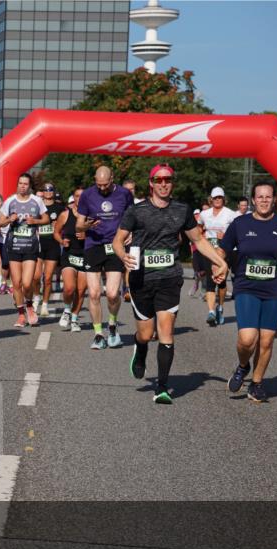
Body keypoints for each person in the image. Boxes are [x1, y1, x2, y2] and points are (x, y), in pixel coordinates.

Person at [114, 163, 227, 404]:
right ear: (151, 183)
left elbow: (198, 239)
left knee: (165, 332)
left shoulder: (182, 210)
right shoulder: (137, 211)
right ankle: (140, 348)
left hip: (169, 278)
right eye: (159, 180)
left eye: (168, 180)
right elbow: (118, 240)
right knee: (146, 333)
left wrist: (220, 261)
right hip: (141, 278)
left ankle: (162, 387)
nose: (164, 184)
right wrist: (123, 255)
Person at [219, 181, 277, 401]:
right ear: (253, 200)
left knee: (266, 340)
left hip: (276, 285)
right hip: (247, 284)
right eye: (260, 197)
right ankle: (242, 367)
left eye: (268, 197)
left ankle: (257, 383)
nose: (264, 200)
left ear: (274, 199)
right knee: (247, 338)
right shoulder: (240, 224)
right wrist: (218, 265)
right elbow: (223, 250)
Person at [77, 166, 134, 349]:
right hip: (93, 246)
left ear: (112, 179)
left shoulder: (124, 194)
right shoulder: (87, 195)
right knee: (93, 293)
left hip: (115, 245)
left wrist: (131, 232)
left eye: (105, 184)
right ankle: (98, 334)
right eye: (98, 184)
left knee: (111, 294)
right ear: (95, 179)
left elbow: (133, 217)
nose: (102, 188)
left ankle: (112, 324)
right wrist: (87, 226)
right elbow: (79, 226)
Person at [0, 173, 49, 327]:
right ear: (17, 185)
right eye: (20, 183)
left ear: (29, 186)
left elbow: (47, 219)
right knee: (17, 283)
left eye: (25, 184)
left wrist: (35, 221)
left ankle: (30, 305)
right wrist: (8, 220)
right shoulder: (10, 201)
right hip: (14, 246)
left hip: (30, 247)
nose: (22, 186)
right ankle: (21, 315)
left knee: (27, 283)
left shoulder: (37, 201)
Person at [199, 186, 237, 326]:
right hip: (208, 250)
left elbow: (238, 232)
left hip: (224, 251)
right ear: (211, 199)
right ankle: (211, 311)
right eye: (215, 197)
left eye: (220, 197)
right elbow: (199, 228)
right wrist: (201, 237)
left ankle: (220, 306)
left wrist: (227, 236)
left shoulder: (231, 214)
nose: (217, 200)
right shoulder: (205, 214)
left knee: (220, 281)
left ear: (224, 199)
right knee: (210, 280)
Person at [56, 185, 88, 331]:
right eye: (77, 195)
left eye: (82, 195)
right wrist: (62, 241)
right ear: (73, 198)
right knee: (69, 288)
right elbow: (56, 232)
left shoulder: (91, 215)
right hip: (69, 254)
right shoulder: (65, 214)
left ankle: (74, 319)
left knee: (81, 291)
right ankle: (67, 310)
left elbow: (100, 234)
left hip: (86, 255)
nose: (79, 198)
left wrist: (87, 236)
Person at [33, 182, 64, 319]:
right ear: (42, 192)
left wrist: (58, 226)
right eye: (45, 190)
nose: (48, 192)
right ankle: (35, 300)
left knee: (47, 278)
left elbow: (66, 222)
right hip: (39, 244)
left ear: (53, 191)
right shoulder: (37, 206)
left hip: (53, 245)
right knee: (35, 277)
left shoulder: (59, 207)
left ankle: (44, 305)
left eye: (50, 189)